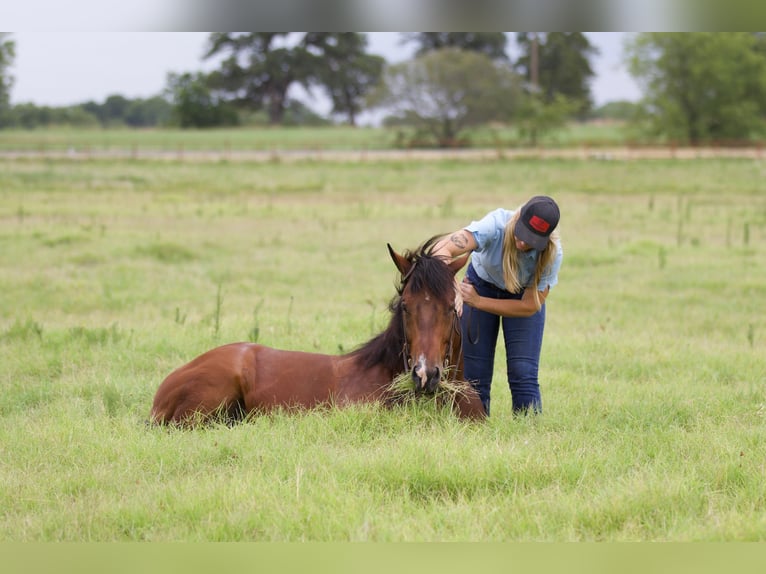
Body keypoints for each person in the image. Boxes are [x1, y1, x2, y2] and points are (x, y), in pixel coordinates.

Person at [432, 195, 563, 416]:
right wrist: (454, 287)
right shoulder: (494, 225)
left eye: (532, 241)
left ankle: (529, 438)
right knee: (475, 374)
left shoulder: (552, 254)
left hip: (514, 297)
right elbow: (441, 250)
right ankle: (475, 434)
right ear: (517, 219)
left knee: (524, 373)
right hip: (480, 284)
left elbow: (530, 306)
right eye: (521, 235)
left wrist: (478, 302)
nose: (523, 243)